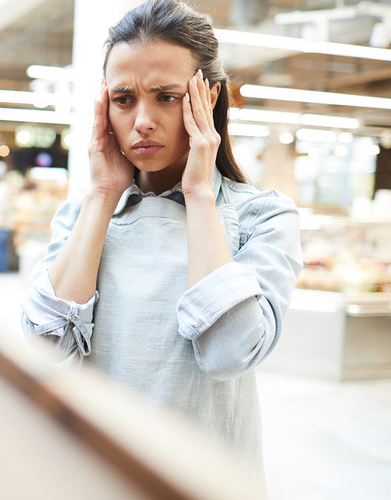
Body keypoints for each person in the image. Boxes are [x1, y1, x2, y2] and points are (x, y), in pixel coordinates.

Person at [21, 0, 303, 483]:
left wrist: (198, 194)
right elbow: (44, 346)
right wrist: (104, 193)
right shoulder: (85, 213)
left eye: (166, 97)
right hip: (92, 474)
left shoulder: (263, 216)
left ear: (208, 97)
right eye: (124, 98)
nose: (142, 120)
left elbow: (229, 352)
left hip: (204, 481)